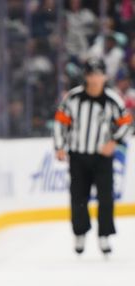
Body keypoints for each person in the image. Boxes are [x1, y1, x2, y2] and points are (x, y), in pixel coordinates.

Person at [53, 57, 132, 255]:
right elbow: (60, 122)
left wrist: (113, 142)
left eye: (98, 74)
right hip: (78, 155)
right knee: (78, 196)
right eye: (91, 74)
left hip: (102, 157)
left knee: (106, 197)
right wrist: (60, 146)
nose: (95, 79)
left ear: (105, 76)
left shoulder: (113, 100)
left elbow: (127, 124)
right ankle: (80, 232)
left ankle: (104, 235)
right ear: (85, 76)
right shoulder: (73, 97)